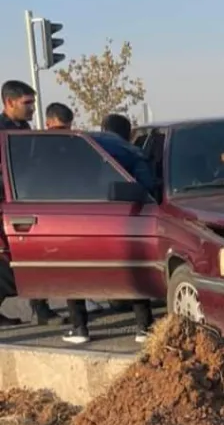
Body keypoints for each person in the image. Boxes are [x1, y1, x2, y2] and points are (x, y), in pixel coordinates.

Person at [63, 113, 158, 346]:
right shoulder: (133, 152)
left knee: (75, 268)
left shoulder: (86, 144)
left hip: (82, 217)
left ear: (103, 127)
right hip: (122, 217)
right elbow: (148, 188)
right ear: (129, 133)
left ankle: (80, 328)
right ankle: (144, 327)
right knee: (131, 268)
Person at [0, 80, 59, 326]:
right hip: (6, 204)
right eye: (27, 103)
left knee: (34, 254)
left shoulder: (23, 128)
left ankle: (41, 307)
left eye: (32, 102)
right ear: (9, 102)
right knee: (6, 259)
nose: (33, 108)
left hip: (27, 199)